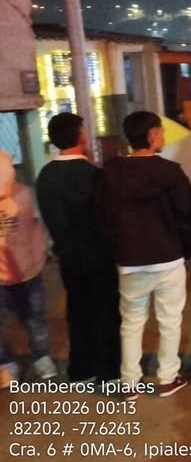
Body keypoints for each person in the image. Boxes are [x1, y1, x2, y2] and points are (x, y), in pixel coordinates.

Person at [98, 111, 191, 400]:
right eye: (162, 132)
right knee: (169, 320)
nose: (164, 137)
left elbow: (103, 218)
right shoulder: (170, 172)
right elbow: (186, 216)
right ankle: (167, 378)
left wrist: (116, 249)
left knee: (130, 322)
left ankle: (129, 382)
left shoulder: (110, 173)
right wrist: (186, 249)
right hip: (168, 258)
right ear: (152, 136)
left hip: (129, 260)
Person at [36, 113, 120, 385]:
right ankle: (109, 370)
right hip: (99, 255)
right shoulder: (94, 175)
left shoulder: (46, 176)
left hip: (69, 257)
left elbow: (51, 219)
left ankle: (81, 369)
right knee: (106, 312)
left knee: (78, 310)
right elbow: (108, 218)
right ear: (80, 135)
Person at [0, 151, 57, 387]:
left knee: (35, 319)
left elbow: (43, 227)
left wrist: (42, 253)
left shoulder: (26, 195)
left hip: (28, 272)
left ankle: (41, 357)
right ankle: (6, 363)